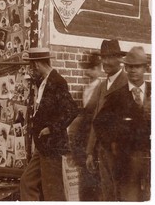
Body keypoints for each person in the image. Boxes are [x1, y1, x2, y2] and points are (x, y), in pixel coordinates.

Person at [20, 47, 78, 201]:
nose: (31, 70)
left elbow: (72, 110)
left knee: (53, 192)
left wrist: (51, 129)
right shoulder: (44, 82)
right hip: (42, 146)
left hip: (52, 146)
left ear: (37, 64)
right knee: (27, 182)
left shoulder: (57, 82)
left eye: (31, 66)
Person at [93, 46, 151, 201]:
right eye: (129, 67)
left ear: (145, 67)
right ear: (125, 68)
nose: (133, 70)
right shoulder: (116, 97)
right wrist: (112, 144)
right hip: (127, 164)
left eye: (137, 66)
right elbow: (99, 123)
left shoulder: (152, 92)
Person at [86, 39, 127, 201]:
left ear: (119, 59)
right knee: (107, 194)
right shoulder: (102, 86)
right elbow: (96, 119)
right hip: (103, 152)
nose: (106, 62)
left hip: (121, 153)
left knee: (122, 195)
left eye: (110, 57)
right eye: (103, 57)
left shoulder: (127, 82)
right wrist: (90, 152)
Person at [68, 53, 102, 200]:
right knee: (84, 184)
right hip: (83, 143)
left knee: (95, 184)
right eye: (86, 69)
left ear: (96, 69)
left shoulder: (101, 89)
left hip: (94, 143)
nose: (86, 72)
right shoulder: (85, 90)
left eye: (90, 68)